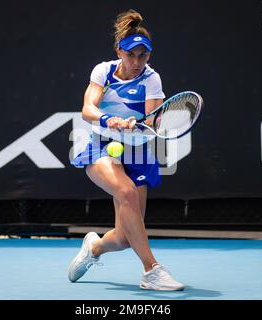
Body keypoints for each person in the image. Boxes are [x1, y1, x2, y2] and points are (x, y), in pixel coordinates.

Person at [68, 9, 184, 291]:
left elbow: (151, 120)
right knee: (126, 191)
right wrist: (110, 120)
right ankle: (152, 271)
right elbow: (88, 109)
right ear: (119, 50)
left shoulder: (151, 79)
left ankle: (94, 248)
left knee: (123, 237)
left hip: (137, 152)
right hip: (103, 147)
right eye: (130, 54)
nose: (136, 61)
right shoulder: (103, 71)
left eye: (142, 55)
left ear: (149, 56)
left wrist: (137, 125)